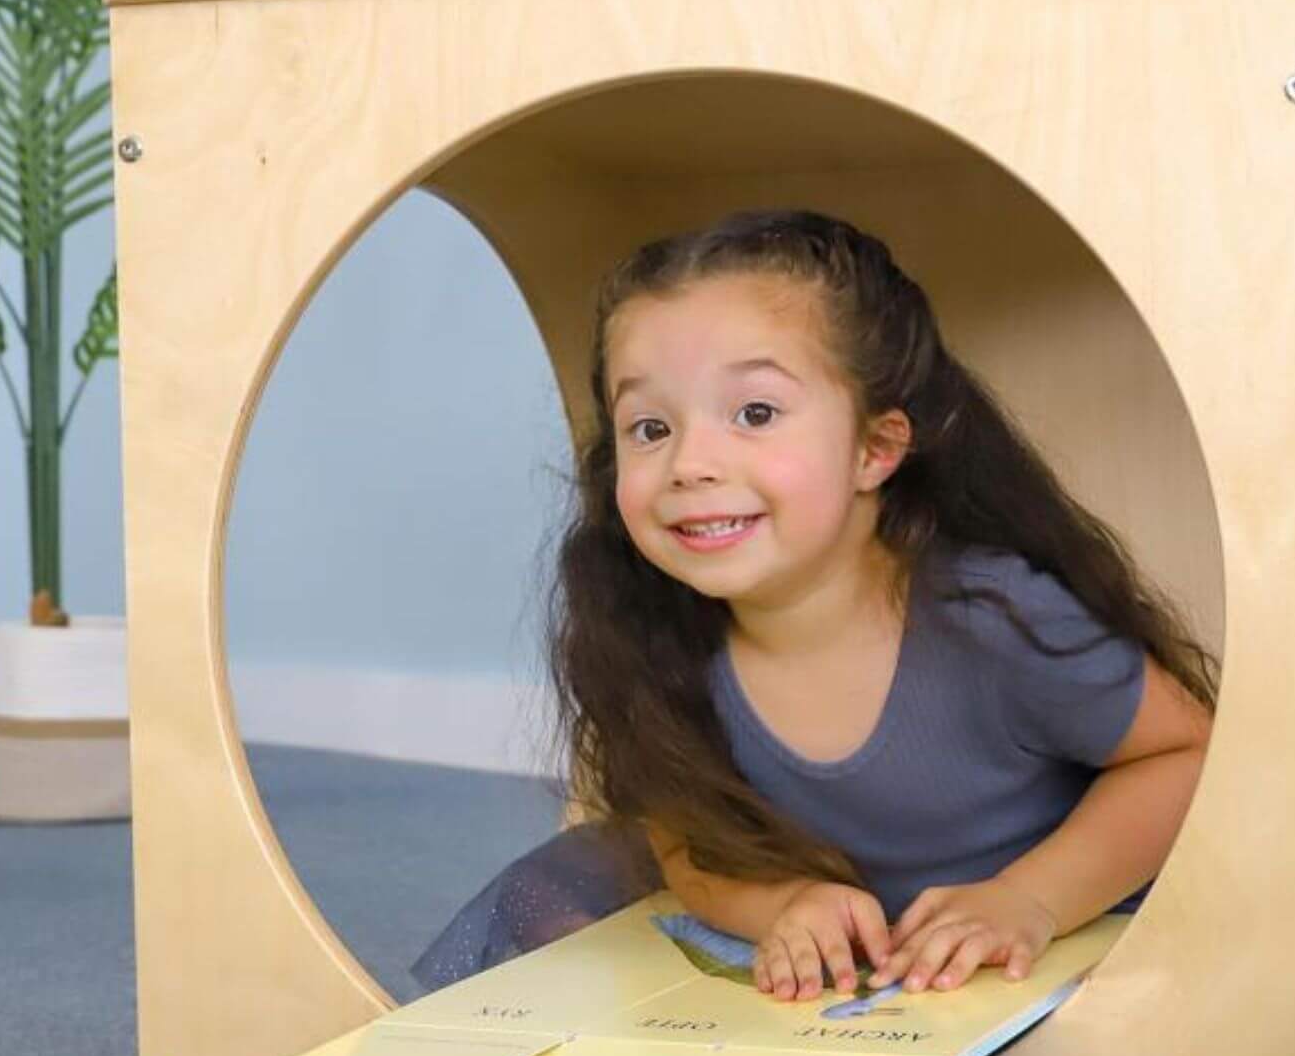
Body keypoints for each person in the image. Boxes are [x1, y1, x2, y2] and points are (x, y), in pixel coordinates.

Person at [412, 208, 1216, 1004]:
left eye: (755, 414)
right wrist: (782, 906)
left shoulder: (991, 614)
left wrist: (1031, 899)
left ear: (875, 449)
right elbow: (685, 844)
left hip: (1047, 932)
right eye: (650, 427)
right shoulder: (650, 639)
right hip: (857, 970)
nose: (690, 463)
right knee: (557, 920)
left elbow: (1185, 755)